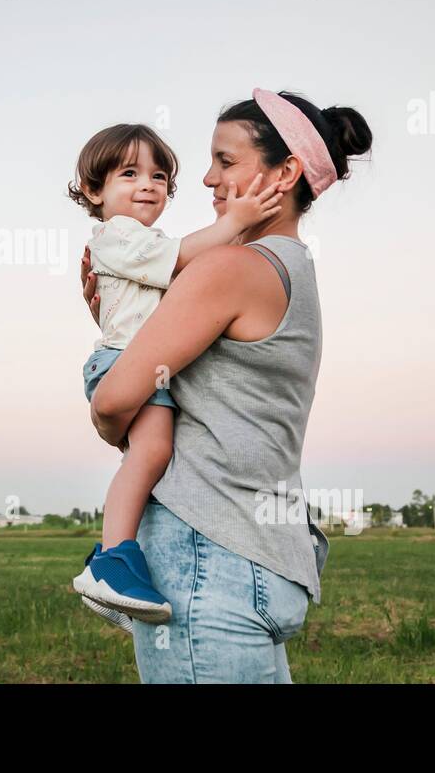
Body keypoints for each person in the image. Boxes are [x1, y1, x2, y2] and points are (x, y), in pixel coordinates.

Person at [82, 89, 372, 682]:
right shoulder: (291, 269)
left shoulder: (229, 269)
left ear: (285, 171)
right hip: (261, 556)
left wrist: (121, 396)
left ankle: (110, 559)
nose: (208, 179)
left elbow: (114, 400)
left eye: (226, 161)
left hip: (206, 555)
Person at [66, 123, 283, 623]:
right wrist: (239, 220)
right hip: (123, 361)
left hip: (137, 360)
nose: (148, 184)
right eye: (129, 174)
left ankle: (118, 564)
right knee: (152, 453)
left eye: (159, 176)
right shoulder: (118, 237)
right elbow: (186, 257)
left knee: (148, 461)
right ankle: (112, 558)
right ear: (95, 192)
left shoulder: (146, 242)